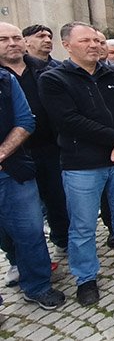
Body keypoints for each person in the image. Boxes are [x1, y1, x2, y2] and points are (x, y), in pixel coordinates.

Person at [39, 21, 114, 307]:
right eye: (86, 41)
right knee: (82, 224)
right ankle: (86, 277)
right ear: (67, 45)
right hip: (83, 164)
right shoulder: (54, 79)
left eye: (97, 40)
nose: (94, 45)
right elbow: (69, 121)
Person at [0, 24, 66, 310]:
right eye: (4, 39)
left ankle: (37, 285)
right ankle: (15, 262)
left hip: (18, 164)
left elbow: (26, 120)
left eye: (15, 38)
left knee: (30, 227)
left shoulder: (11, 79)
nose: (12, 43)